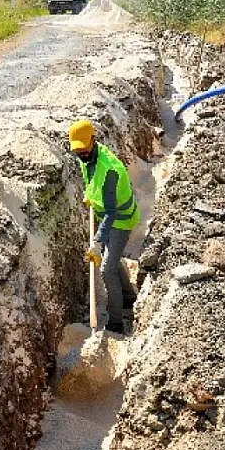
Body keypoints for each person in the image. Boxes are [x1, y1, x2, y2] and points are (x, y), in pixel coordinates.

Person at [68, 119, 140, 334]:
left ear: (94, 140)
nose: (81, 153)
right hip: (108, 216)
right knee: (113, 259)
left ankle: (116, 321)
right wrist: (90, 196)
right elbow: (91, 181)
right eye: (77, 149)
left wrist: (98, 241)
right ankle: (128, 296)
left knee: (107, 269)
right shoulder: (87, 156)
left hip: (121, 220)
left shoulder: (108, 169)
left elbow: (112, 211)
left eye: (84, 147)